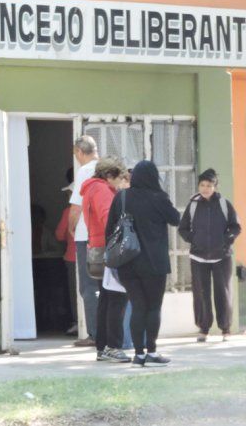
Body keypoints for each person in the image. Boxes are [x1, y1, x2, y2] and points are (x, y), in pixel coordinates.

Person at [106, 160, 180, 367]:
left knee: (138, 306)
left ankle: (138, 355)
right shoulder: (159, 198)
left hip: (127, 262)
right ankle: (152, 352)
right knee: (153, 307)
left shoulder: (121, 197)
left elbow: (109, 229)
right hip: (155, 263)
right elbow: (176, 219)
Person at [178, 169, 241, 343]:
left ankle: (225, 329)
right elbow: (183, 228)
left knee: (223, 292)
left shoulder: (224, 204)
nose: (205, 188)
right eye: (202, 185)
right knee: (201, 293)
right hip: (198, 257)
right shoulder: (193, 204)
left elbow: (235, 227)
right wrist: (194, 240)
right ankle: (203, 328)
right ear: (198, 186)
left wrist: (226, 241)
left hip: (222, 257)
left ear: (215, 186)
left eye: (209, 185)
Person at [81, 157, 130, 363]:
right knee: (117, 298)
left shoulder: (91, 188)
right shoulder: (102, 190)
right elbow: (108, 218)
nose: (120, 183)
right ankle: (113, 346)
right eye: (119, 179)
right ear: (109, 175)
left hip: (96, 246)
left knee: (106, 299)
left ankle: (102, 346)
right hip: (109, 248)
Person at [69, 136, 100, 347]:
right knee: (107, 284)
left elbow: (76, 206)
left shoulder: (85, 171)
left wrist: (71, 226)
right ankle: (108, 332)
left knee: (88, 286)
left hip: (86, 235)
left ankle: (94, 333)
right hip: (106, 236)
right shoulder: (108, 169)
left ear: (80, 152)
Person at [55, 168, 78, 336]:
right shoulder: (89, 209)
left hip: (72, 256)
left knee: (73, 291)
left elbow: (59, 235)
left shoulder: (68, 212)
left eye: (69, 193)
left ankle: (77, 321)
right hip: (92, 254)